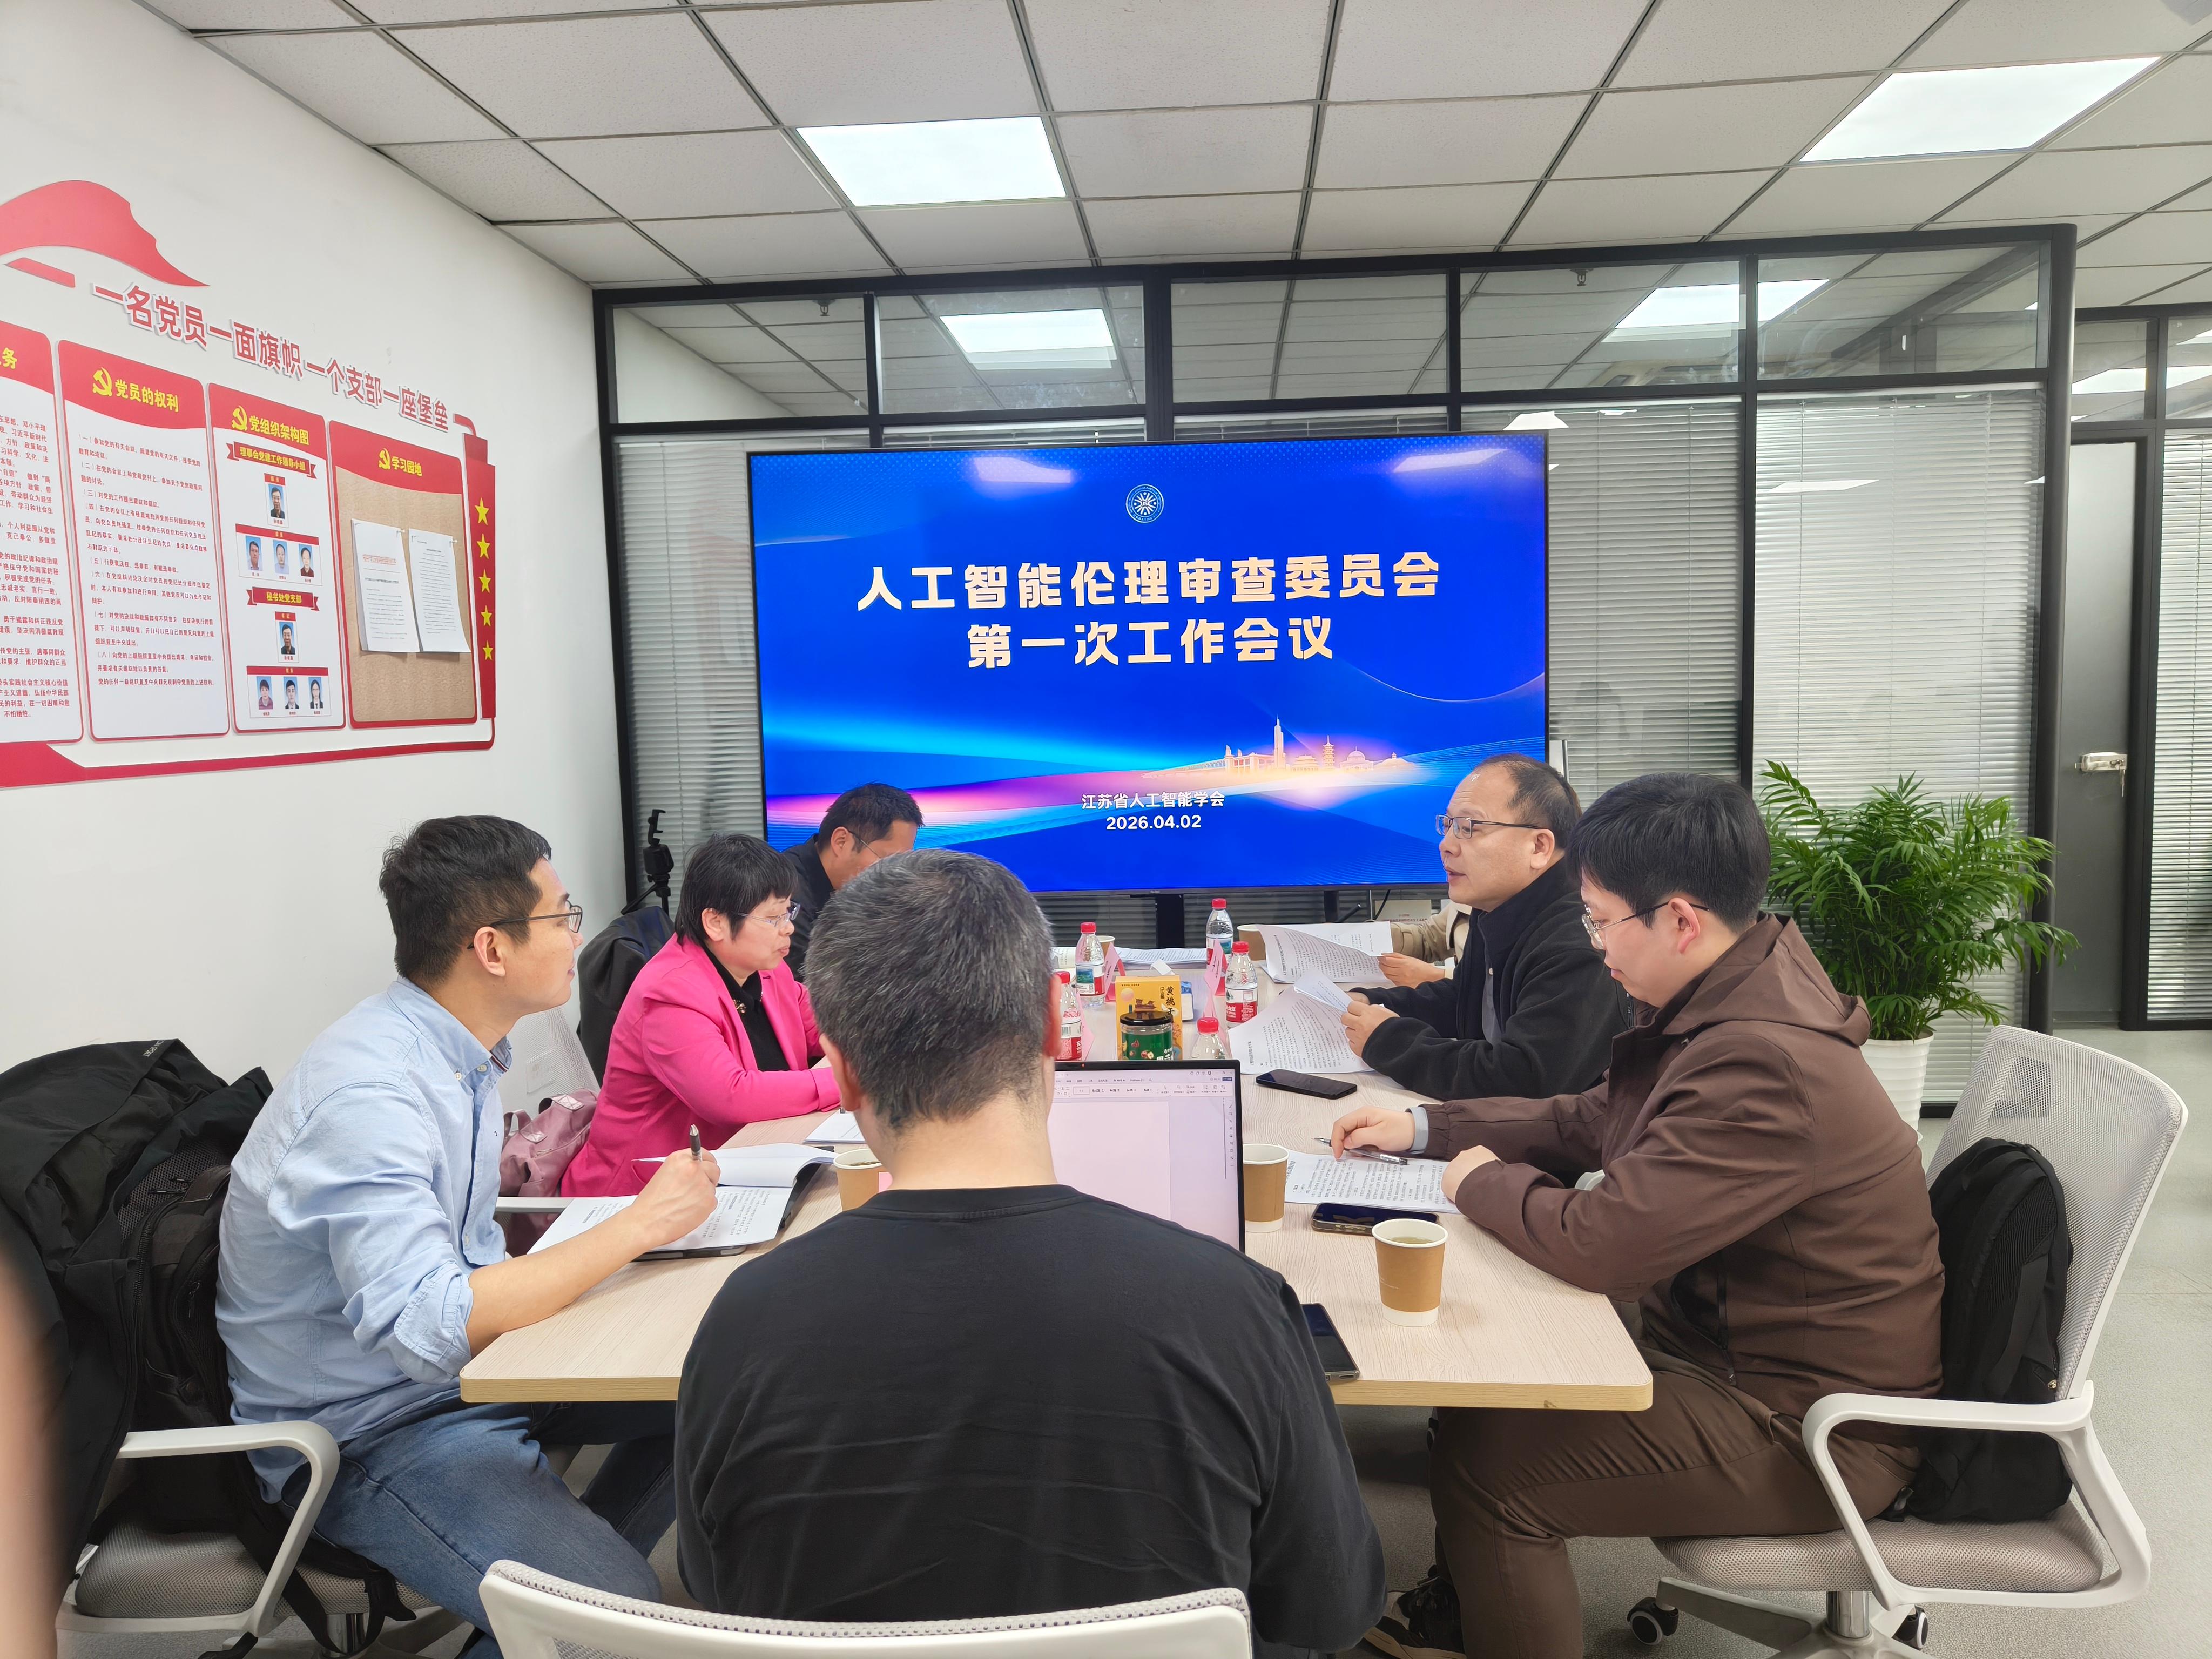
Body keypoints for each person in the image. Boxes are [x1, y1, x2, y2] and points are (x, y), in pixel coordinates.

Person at [675, 849, 1385, 1654]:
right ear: (1056, 1022)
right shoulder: (1234, 1306)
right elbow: (1330, 1605)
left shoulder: (744, 1321)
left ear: (840, 1071)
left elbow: (713, 1582)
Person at [1330, 773, 1943, 1659]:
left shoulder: (1761, 1061)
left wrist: (1477, 1182)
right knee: (1484, 1397)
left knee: (1498, 1472)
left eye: (1600, 920)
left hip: (1812, 1426)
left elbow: (1604, 1244)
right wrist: (1427, 1128)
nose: (1593, 942)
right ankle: (1468, 1611)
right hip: (1731, 1351)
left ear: (1680, 921)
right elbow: (1591, 1118)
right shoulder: (1725, 1001)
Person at [218, 817, 724, 1657]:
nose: (577, 936)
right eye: (562, 916)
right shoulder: (371, 1095)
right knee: (605, 1618)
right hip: (373, 1428)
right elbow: (430, 1326)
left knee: (723, 1387)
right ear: (491, 948)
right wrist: (641, 1223)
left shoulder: (457, 1052)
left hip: (477, 1372)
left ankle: (548, 1594)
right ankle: (565, 1607)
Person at [1341, 754, 1629, 1103]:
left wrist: (1387, 1041)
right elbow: (1463, 1001)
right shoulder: (1497, 906)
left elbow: (1521, 1081)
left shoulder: (1579, 941)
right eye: (1448, 825)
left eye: (1469, 827)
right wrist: (1371, 1001)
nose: (1446, 845)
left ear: (1539, 847)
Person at [563, 834, 838, 1196]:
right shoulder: (669, 992)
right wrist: (845, 1081)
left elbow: (826, 1025)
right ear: (715, 923)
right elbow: (731, 1096)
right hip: (644, 1194)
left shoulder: (766, 969)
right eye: (773, 918)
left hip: (741, 1164)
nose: (788, 927)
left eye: (789, 911)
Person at [781, 782, 922, 980]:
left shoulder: (857, 889)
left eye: (903, 861)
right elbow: (820, 985)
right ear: (841, 842)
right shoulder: (783, 894)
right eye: (889, 860)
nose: (896, 873)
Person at [1379, 903, 1469, 988]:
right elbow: (1428, 938)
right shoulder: (1463, 900)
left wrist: (1439, 977)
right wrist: (1380, 934)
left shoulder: (1469, 896)